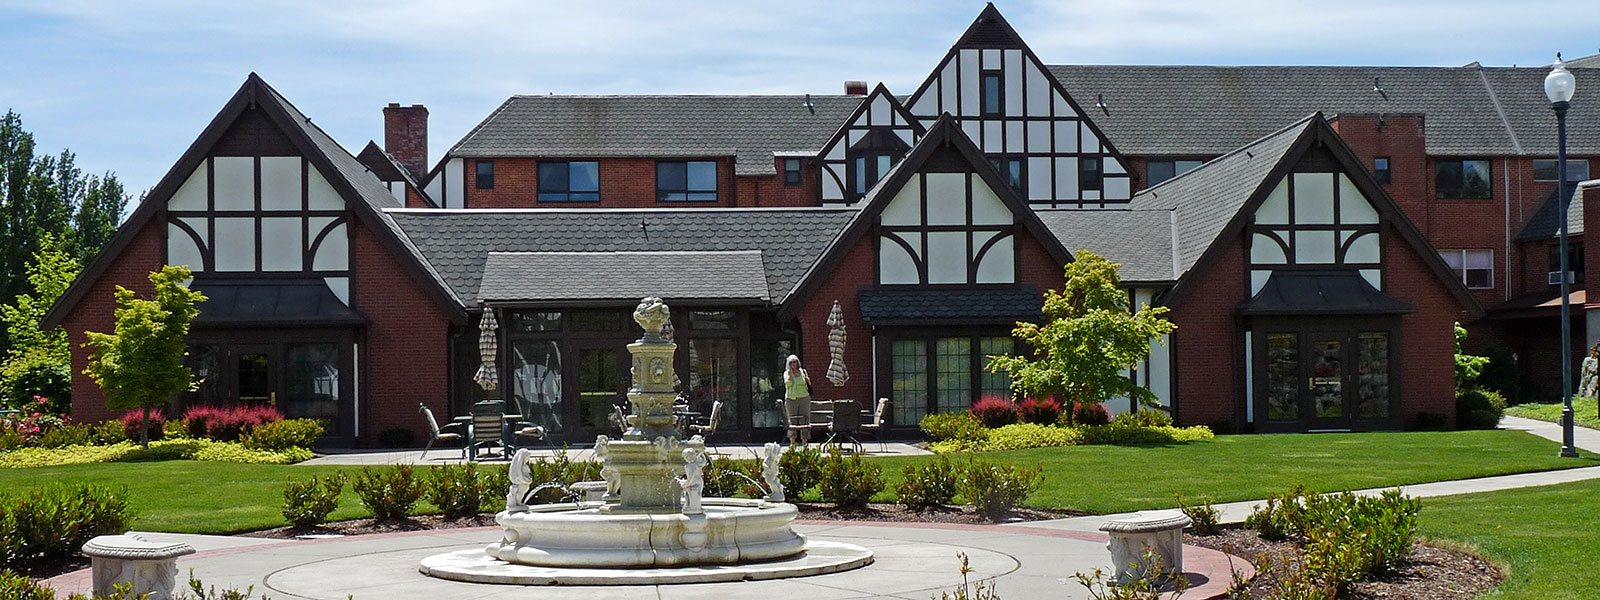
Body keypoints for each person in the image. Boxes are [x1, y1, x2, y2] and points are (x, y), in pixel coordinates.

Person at [782, 355, 813, 446]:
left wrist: (808, 381)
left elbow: (808, 384)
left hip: (804, 397)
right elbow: (788, 385)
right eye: (790, 362)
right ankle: (793, 443)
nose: (793, 364)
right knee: (792, 420)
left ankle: (805, 443)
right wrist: (791, 375)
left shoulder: (803, 372)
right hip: (791, 399)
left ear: (797, 362)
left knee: (805, 419)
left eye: (794, 362)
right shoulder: (786, 373)